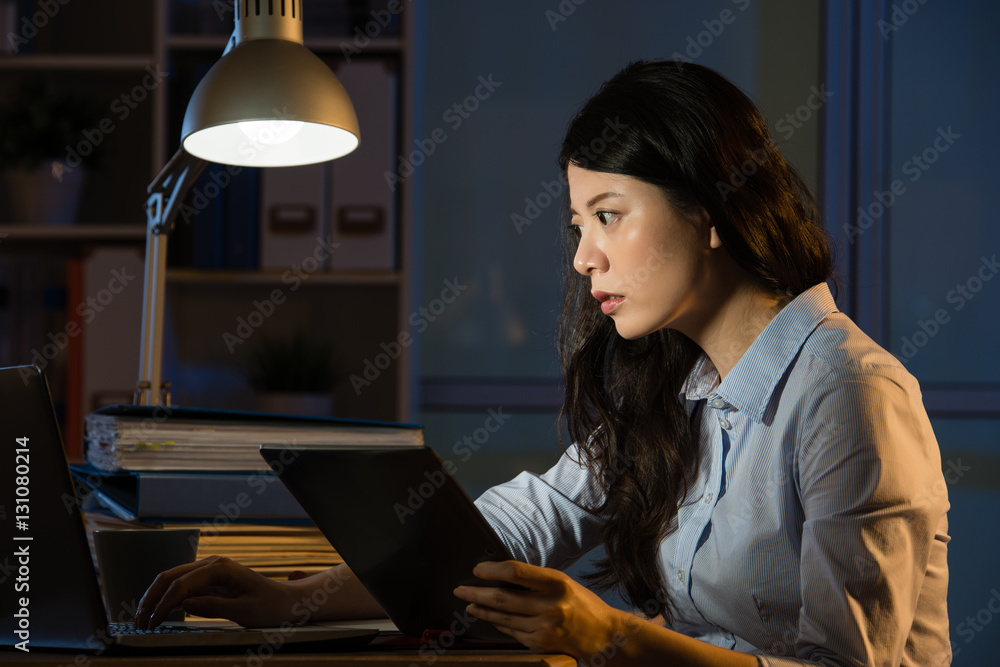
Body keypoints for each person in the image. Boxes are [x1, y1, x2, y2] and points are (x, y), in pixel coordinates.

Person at [135, 61, 950, 666]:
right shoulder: (674, 386)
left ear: (711, 212)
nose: (583, 258)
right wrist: (292, 598)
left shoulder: (849, 393)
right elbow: (506, 535)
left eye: (609, 215)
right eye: (576, 225)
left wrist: (611, 635)